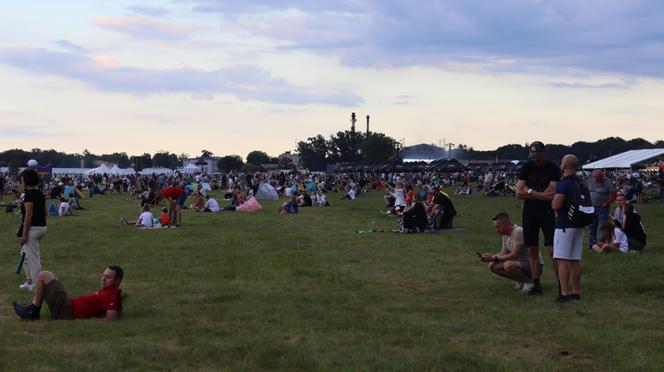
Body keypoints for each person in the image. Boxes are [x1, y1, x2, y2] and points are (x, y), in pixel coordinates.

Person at [516, 141, 561, 296]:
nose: (536, 159)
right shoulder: (527, 167)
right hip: (529, 212)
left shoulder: (553, 169)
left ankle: (561, 284)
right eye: (533, 156)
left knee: (552, 249)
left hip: (547, 213)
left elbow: (551, 196)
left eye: (538, 155)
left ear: (544, 153)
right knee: (532, 250)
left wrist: (529, 192)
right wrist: (535, 194)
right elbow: (518, 192)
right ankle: (536, 284)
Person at [12, 266, 123, 320]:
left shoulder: (111, 295)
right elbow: (118, 310)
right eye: (103, 276)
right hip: (68, 305)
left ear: (117, 281)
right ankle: (33, 310)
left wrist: (94, 318)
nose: (103, 279)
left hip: (67, 310)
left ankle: (33, 312)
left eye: (108, 277)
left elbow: (111, 318)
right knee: (51, 277)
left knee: (44, 275)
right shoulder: (112, 292)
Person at [480, 212, 543, 292]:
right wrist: (490, 258)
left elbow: (514, 256)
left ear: (505, 224)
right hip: (520, 264)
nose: (496, 230)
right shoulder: (505, 235)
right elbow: (503, 254)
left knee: (508, 265)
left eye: (498, 227)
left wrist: (493, 258)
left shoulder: (518, 232)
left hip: (534, 266)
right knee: (492, 266)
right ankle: (521, 280)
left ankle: (530, 282)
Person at [551, 154, 584, 303]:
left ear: (563, 166)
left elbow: (556, 205)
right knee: (575, 259)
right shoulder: (581, 182)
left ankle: (564, 293)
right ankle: (576, 291)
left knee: (562, 260)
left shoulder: (563, 183)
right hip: (578, 224)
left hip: (564, 225)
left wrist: (552, 203)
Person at [17, 169, 47, 292]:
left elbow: (28, 215)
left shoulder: (29, 194)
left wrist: (25, 234)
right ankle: (29, 280)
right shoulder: (40, 193)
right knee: (25, 255)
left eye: (22, 178)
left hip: (33, 229)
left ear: (26, 179)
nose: (21, 180)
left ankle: (36, 285)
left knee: (33, 258)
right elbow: (45, 212)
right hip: (41, 227)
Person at [586, 169, 616, 249]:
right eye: (596, 178)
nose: (597, 180)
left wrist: (607, 203)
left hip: (602, 208)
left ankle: (601, 244)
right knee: (592, 226)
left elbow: (614, 195)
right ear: (593, 176)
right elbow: (585, 191)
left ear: (603, 176)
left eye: (599, 178)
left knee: (603, 226)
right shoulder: (589, 180)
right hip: (591, 207)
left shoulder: (608, 182)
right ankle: (592, 244)